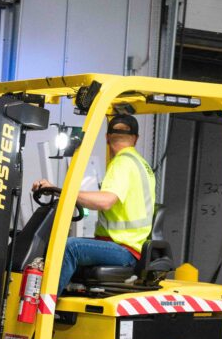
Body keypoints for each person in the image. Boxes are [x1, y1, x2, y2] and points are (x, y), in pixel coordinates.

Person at [33, 114, 156, 294]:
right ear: (136, 139)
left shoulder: (122, 163)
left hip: (124, 250)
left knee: (70, 247)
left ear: (107, 137)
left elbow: (106, 201)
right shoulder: (141, 164)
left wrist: (64, 191)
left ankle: (44, 310)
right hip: (128, 247)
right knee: (64, 244)